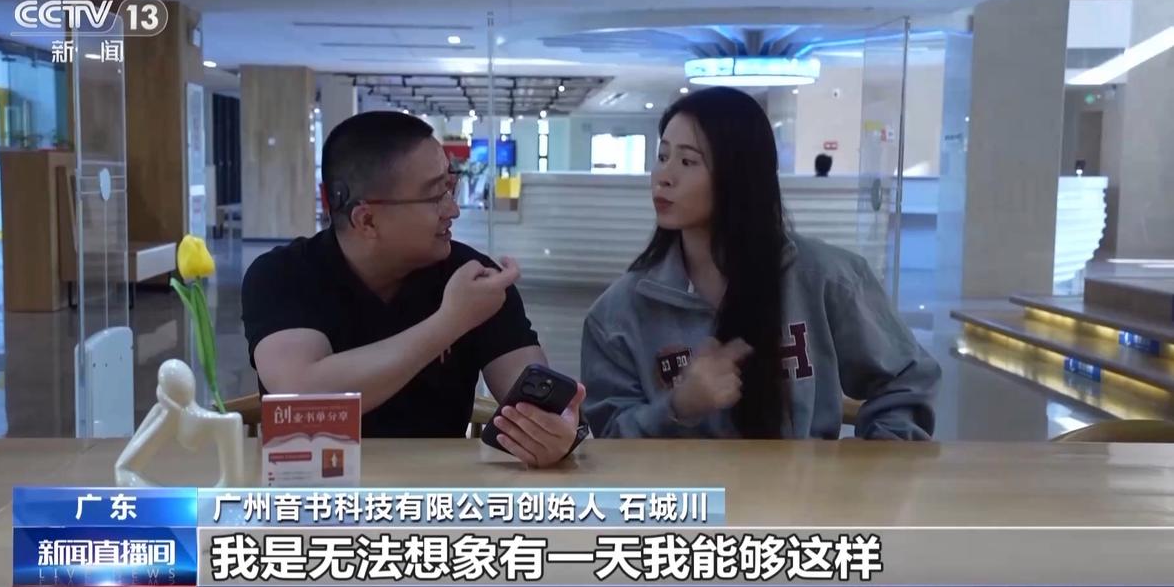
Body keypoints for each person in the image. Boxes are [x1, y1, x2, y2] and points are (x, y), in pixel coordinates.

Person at [580, 87, 939, 440]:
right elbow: (610, 437)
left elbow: (908, 380)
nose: (664, 176)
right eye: (662, 156)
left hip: (804, 481)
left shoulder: (827, 279)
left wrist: (870, 464)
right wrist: (678, 406)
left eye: (688, 161)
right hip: (687, 484)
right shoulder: (618, 314)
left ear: (739, 174)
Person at [242, 111, 587, 467]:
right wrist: (451, 322)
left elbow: (537, 399)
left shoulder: (472, 277)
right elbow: (301, 395)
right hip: (315, 489)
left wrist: (554, 432)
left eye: (450, 187)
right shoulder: (284, 274)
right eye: (435, 196)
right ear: (367, 219)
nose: (452, 209)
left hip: (435, 491)